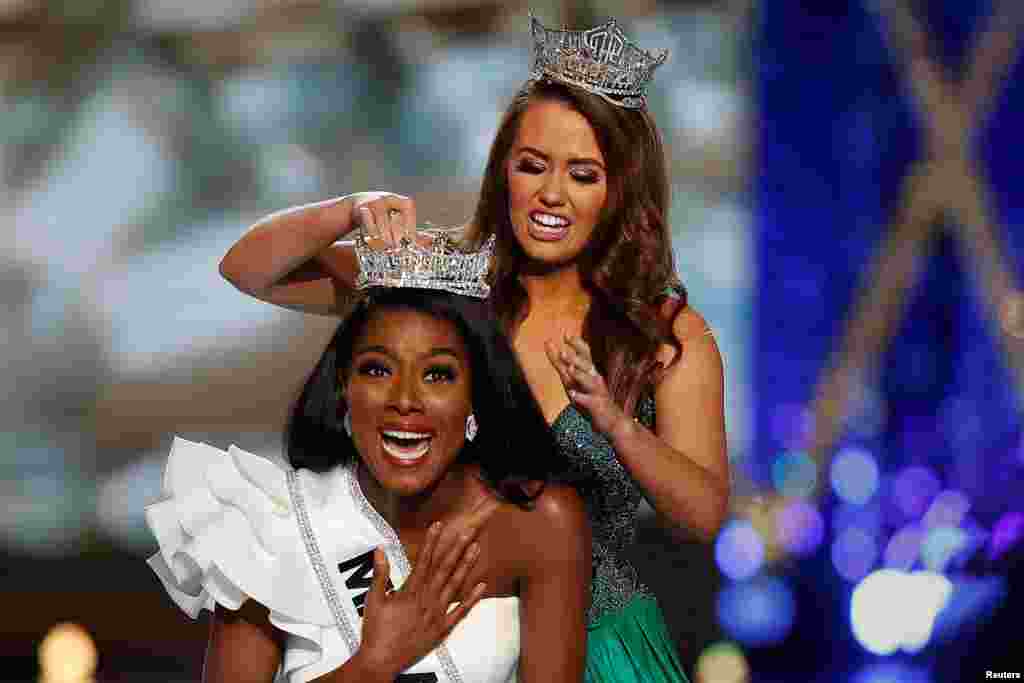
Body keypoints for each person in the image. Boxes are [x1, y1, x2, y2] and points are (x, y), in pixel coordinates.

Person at [218, 15, 729, 682]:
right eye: (532, 165)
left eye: (582, 174)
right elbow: (248, 268)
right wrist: (351, 208)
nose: (551, 194)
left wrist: (616, 424)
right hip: (461, 635)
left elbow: (704, 515)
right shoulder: (448, 285)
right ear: (502, 173)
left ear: (620, 190)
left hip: (602, 649)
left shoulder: (662, 332)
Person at [146, 236, 591, 682]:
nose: (405, 400)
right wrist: (373, 665)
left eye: (438, 374)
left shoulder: (540, 522)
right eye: (378, 369)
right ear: (344, 387)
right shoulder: (272, 522)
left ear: (476, 394)